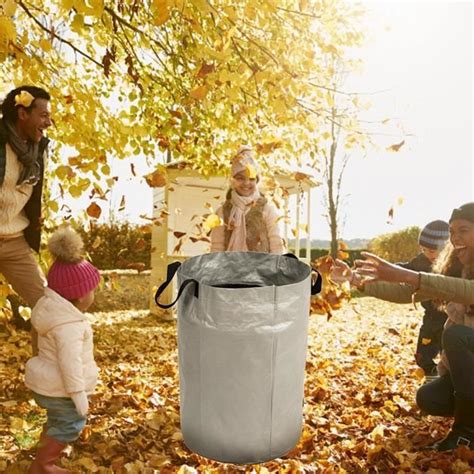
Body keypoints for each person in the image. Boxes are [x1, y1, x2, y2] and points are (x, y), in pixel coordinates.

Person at [331, 202, 474, 451]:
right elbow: (405, 291)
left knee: (458, 336)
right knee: (429, 398)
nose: (455, 238)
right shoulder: (457, 268)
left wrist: (409, 275)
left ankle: (466, 433)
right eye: (452, 232)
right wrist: (355, 280)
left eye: (463, 230)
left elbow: (469, 292)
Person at [25, 227, 101, 473]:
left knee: (57, 420)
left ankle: (48, 449)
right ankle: (44, 464)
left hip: (47, 384)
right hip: (61, 388)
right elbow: (70, 363)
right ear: (78, 295)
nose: (94, 294)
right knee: (72, 422)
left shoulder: (51, 308)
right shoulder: (68, 325)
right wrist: (79, 395)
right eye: (92, 289)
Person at [0, 85, 52, 345]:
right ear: (23, 114)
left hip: (15, 242)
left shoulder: (39, 152)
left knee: (48, 307)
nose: (49, 123)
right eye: (43, 115)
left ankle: (46, 381)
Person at [397, 220, 449, 380]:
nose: (427, 254)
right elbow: (405, 268)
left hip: (450, 319)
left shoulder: (453, 264)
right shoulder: (421, 261)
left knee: (449, 355)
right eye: (424, 249)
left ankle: (448, 382)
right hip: (431, 318)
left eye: (432, 250)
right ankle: (431, 379)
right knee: (422, 354)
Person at [210, 146, 285, 254]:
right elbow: (216, 247)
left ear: (257, 181)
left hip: (262, 269)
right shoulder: (222, 212)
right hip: (230, 268)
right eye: (240, 178)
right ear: (232, 180)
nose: (246, 183)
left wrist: (277, 269)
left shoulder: (267, 209)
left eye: (251, 179)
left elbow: (276, 243)